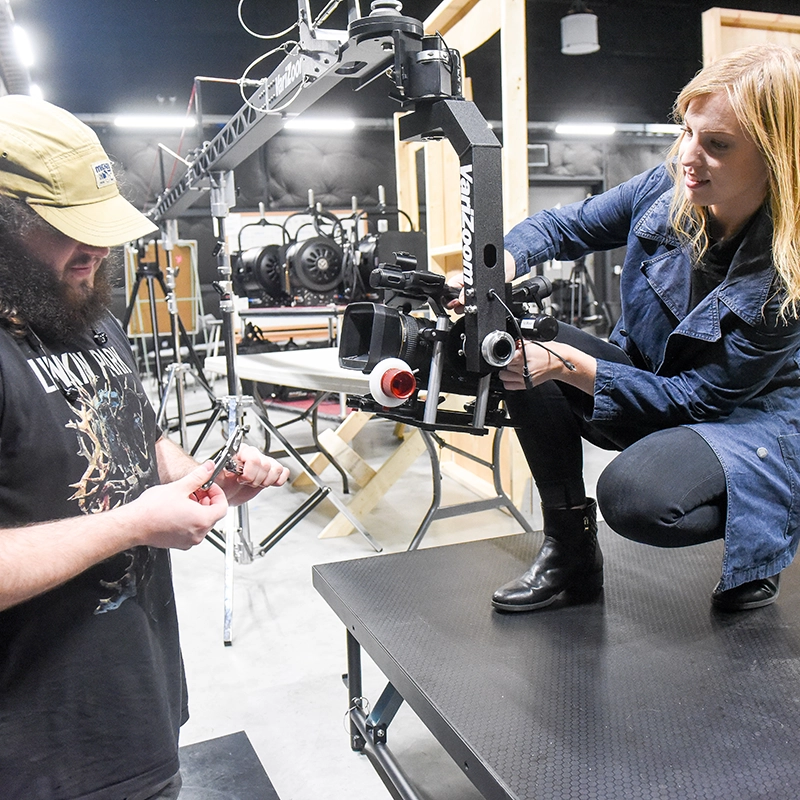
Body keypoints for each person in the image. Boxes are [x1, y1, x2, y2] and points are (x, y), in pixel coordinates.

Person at [0, 95, 290, 799]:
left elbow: (136, 429)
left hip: (137, 701)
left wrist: (202, 474)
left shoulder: (82, 309)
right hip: (37, 752)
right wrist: (134, 523)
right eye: (69, 231)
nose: (97, 253)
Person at [489, 43, 800, 614]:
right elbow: (564, 226)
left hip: (749, 417)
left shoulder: (788, 272)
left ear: (776, 156)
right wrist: (502, 263)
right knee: (514, 338)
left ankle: (770, 522)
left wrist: (567, 366)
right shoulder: (665, 190)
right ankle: (570, 555)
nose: (689, 156)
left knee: (637, 498)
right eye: (686, 132)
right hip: (658, 382)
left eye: (718, 145)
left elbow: (700, 400)